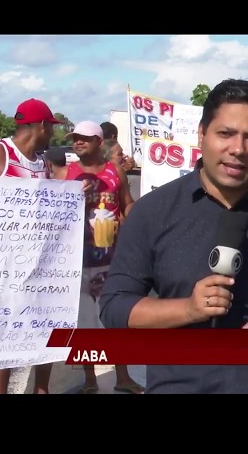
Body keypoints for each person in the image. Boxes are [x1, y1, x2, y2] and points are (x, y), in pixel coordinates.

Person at [99, 79, 248, 394]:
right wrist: (187, 309)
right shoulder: (153, 211)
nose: (237, 149)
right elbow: (114, 307)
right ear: (202, 134)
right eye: (225, 134)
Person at [58, 120, 142, 394]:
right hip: (77, 261)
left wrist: (133, 220)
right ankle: (90, 379)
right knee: (85, 324)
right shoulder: (65, 175)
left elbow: (127, 203)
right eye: (75, 138)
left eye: (84, 138)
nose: (77, 142)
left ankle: (123, 377)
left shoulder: (114, 170)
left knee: (114, 319)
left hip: (112, 258)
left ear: (98, 142)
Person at [0, 98, 61, 394]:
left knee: (44, 327)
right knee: (3, 334)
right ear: (42, 126)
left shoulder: (43, 164)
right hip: (3, 266)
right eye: (52, 128)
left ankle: (41, 390)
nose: (53, 135)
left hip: (37, 264)